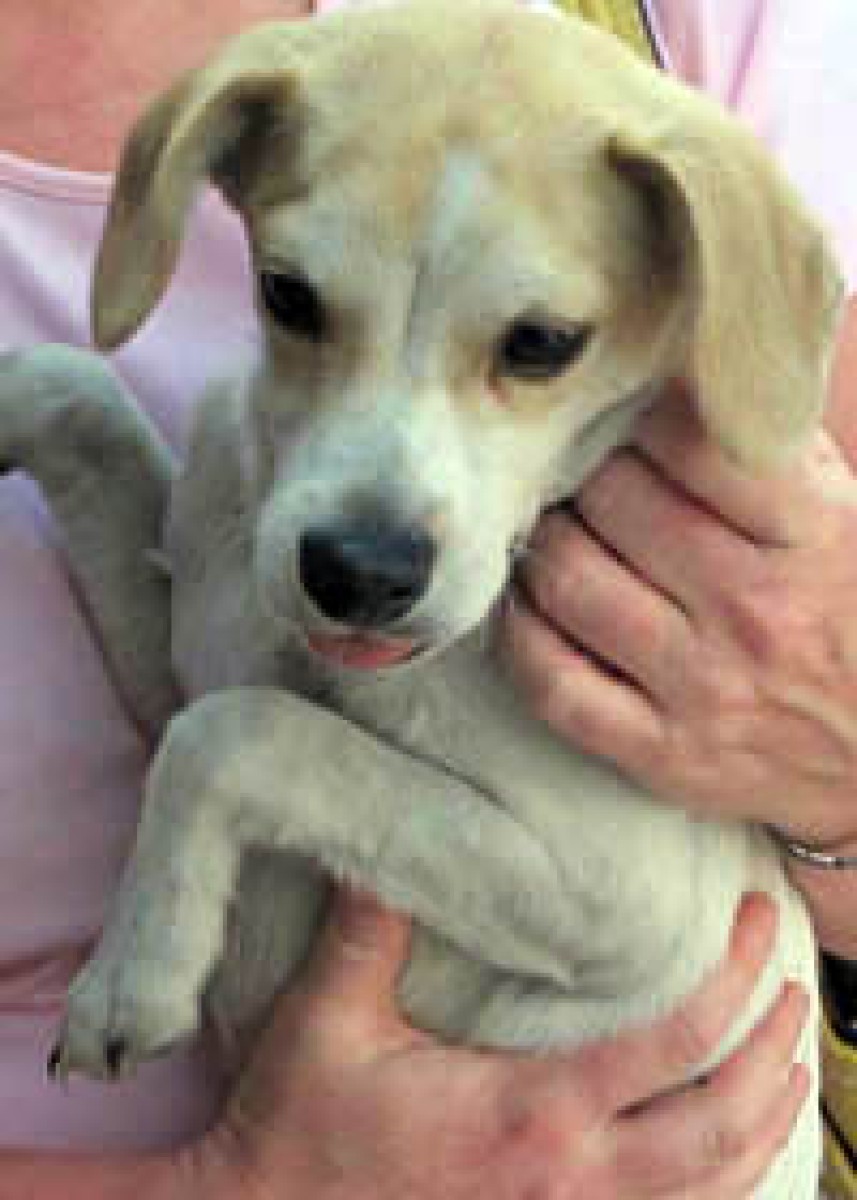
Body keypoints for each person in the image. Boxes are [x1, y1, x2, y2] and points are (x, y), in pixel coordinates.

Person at [0, 1, 852, 1197]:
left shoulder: (695, 39)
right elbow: (204, 681)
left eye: (533, 345)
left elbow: (612, 917)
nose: (372, 520)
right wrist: (223, 1188)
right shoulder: (242, 468)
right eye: (301, 304)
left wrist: (838, 788)